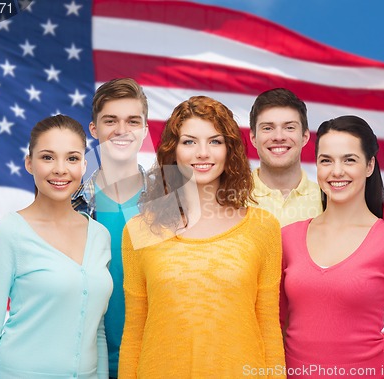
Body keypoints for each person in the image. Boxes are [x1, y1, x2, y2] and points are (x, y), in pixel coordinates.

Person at [119, 96, 286, 378]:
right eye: (189, 142)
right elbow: (135, 330)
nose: (202, 153)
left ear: (229, 150)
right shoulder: (138, 230)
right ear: (173, 152)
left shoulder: (263, 227)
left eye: (215, 141)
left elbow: (269, 328)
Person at [279, 115, 384, 378]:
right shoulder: (286, 238)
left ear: (369, 165)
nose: (337, 171)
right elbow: (274, 323)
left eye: (349, 159)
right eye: (326, 160)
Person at [0, 115, 113, 378]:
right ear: (29, 163)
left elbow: (98, 330)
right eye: (47, 157)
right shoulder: (8, 232)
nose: (60, 169)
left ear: (84, 165)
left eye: (71, 158)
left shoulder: (100, 236)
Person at [71, 78, 148, 378]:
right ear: (94, 129)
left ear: (144, 129)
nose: (121, 130)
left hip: (154, 360)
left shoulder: (170, 205)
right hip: (86, 365)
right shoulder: (71, 204)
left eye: (132, 121)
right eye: (110, 120)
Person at [249, 88, 322, 226]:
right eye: (267, 128)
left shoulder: (328, 200)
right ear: (253, 138)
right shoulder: (231, 199)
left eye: (289, 127)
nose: (278, 137)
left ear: (305, 137)